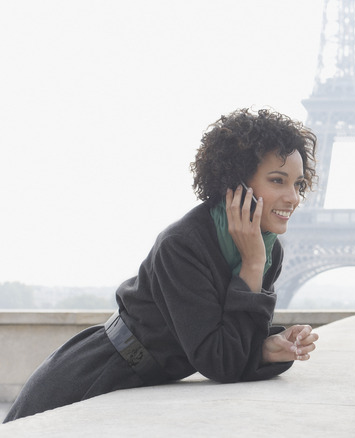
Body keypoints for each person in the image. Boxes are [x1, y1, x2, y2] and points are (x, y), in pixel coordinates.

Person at [4, 108, 319, 422]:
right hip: (94, 377)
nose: (292, 197)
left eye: (298, 184)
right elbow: (221, 361)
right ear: (236, 183)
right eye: (278, 181)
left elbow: (234, 348)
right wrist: (251, 265)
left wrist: (266, 347)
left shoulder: (267, 251)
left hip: (139, 386)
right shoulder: (183, 245)